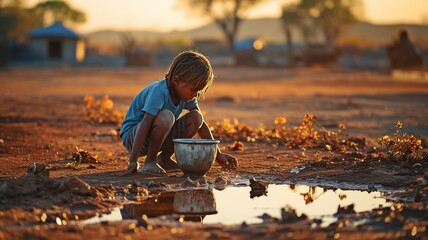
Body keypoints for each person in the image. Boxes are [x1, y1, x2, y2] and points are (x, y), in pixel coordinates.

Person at [120, 50, 238, 175]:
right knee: (166, 116)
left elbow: (201, 124)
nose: (195, 95)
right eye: (193, 89)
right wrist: (133, 160)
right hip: (133, 138)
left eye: (199, 91)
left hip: (155, 134)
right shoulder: (159, 92)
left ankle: (164, 159)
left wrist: (217, 155)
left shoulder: (185, 94)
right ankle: (150, 161)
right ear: (177, 81)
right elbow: (145, 123)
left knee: (196, 118)